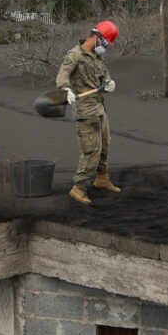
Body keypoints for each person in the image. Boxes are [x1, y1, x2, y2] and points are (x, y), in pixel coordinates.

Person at [56, 20, 120, 204]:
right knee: (91, 151)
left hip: (99, 108)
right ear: (97, 37)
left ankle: (102, 179)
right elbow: (62, 76)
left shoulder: (97, 56)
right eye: (106, 43)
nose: (106, 48)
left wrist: (108, 82)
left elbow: (104, 73)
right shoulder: (74, 55)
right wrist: (66, 89)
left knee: (105, 146)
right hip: (85, 112)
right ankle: (79, 188)